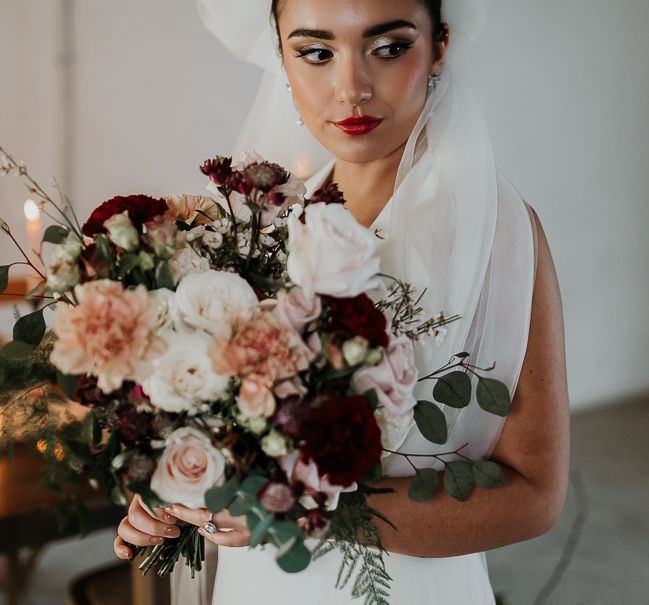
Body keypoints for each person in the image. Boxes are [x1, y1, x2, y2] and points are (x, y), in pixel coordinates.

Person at [114, 1, 570, 603]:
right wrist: (178, 482)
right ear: (281, 56)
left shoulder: (495, 236)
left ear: (439, 47)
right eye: (316, 52)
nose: (351, 88)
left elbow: (533, 498)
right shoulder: (251, 228)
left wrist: (303, 514)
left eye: (388, 48)